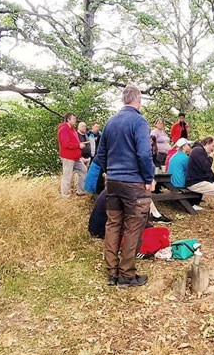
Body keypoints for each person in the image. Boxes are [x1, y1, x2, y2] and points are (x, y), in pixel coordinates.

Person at [94, 85, 156, 288]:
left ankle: (111, 272)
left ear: (123, 100)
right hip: (134, 184)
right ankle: (126, 275)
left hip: (112, 182)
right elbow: (144, 154)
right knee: (133, 226)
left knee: (113, 224)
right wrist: (148, 178)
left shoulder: (110, 122)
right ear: (138, 100)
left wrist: (110, 172)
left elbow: (100, 155)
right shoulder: (139, 121)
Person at [57, 113, 87, 198]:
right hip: (68, 157)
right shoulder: (63, 129)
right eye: (73, 119)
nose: (75, 120)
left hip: (76, 157)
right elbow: (65, 143)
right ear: (68, 120)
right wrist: (78, 146)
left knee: (83, 170)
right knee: (67, 176)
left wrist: (80, 144)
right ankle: (65, 195)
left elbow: (74, 142)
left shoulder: (72, 130)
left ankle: (80, 191)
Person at [186, 136, 214, 201]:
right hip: (195, 183)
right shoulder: (198, 151)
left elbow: (209, 171)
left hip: (198, 181)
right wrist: (210, 158)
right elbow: (206, 168)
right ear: (207, 143)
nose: (213, 149)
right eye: (213, 146)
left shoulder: (200, 151)